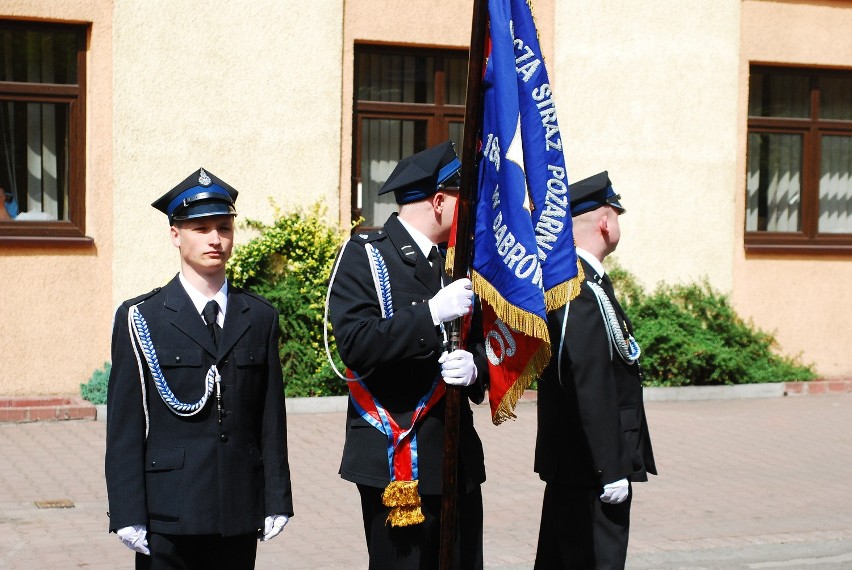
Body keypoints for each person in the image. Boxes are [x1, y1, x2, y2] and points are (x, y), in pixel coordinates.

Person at [105, 167, 294, 569]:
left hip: (238, 506)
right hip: (170, 508)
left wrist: (277, 497)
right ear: (175, 234)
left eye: (223, 227)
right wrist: (127, 512)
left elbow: (270, 417)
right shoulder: (143, 317)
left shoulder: (258, 316)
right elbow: (124, 426)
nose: (215, 239)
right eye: (200, 227)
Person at [327, 141, 488, 569]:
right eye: (462, 198)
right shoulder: (365, 256)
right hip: (396, 459)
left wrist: (475, 371)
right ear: (439, 201)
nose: (469, 209)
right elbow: (357, 344)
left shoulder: (455, 263)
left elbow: (477, 344)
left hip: (455, 459)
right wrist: (431, 314)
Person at [534, 171, 657, 569]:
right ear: (605, 222)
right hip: (588, 468)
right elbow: (588, 380)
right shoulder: (578, 288)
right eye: (615, 214)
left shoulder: (587, 284)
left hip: (578, 464)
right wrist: (609, 469)